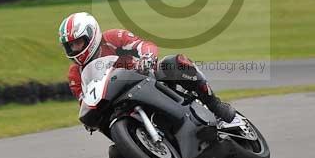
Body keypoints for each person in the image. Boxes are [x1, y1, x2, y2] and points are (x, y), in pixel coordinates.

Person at [59, 11, 236, 123]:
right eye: (71, 45)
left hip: (144, 77)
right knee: (117, 155)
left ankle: (214, 104)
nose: (75, 49)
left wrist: (147, 58)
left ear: (92, 35)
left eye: (79, 42)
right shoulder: (75, 74)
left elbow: (142, 44)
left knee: (174, 63)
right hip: (117, 102)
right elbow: (84, 101)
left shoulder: (112, 38)